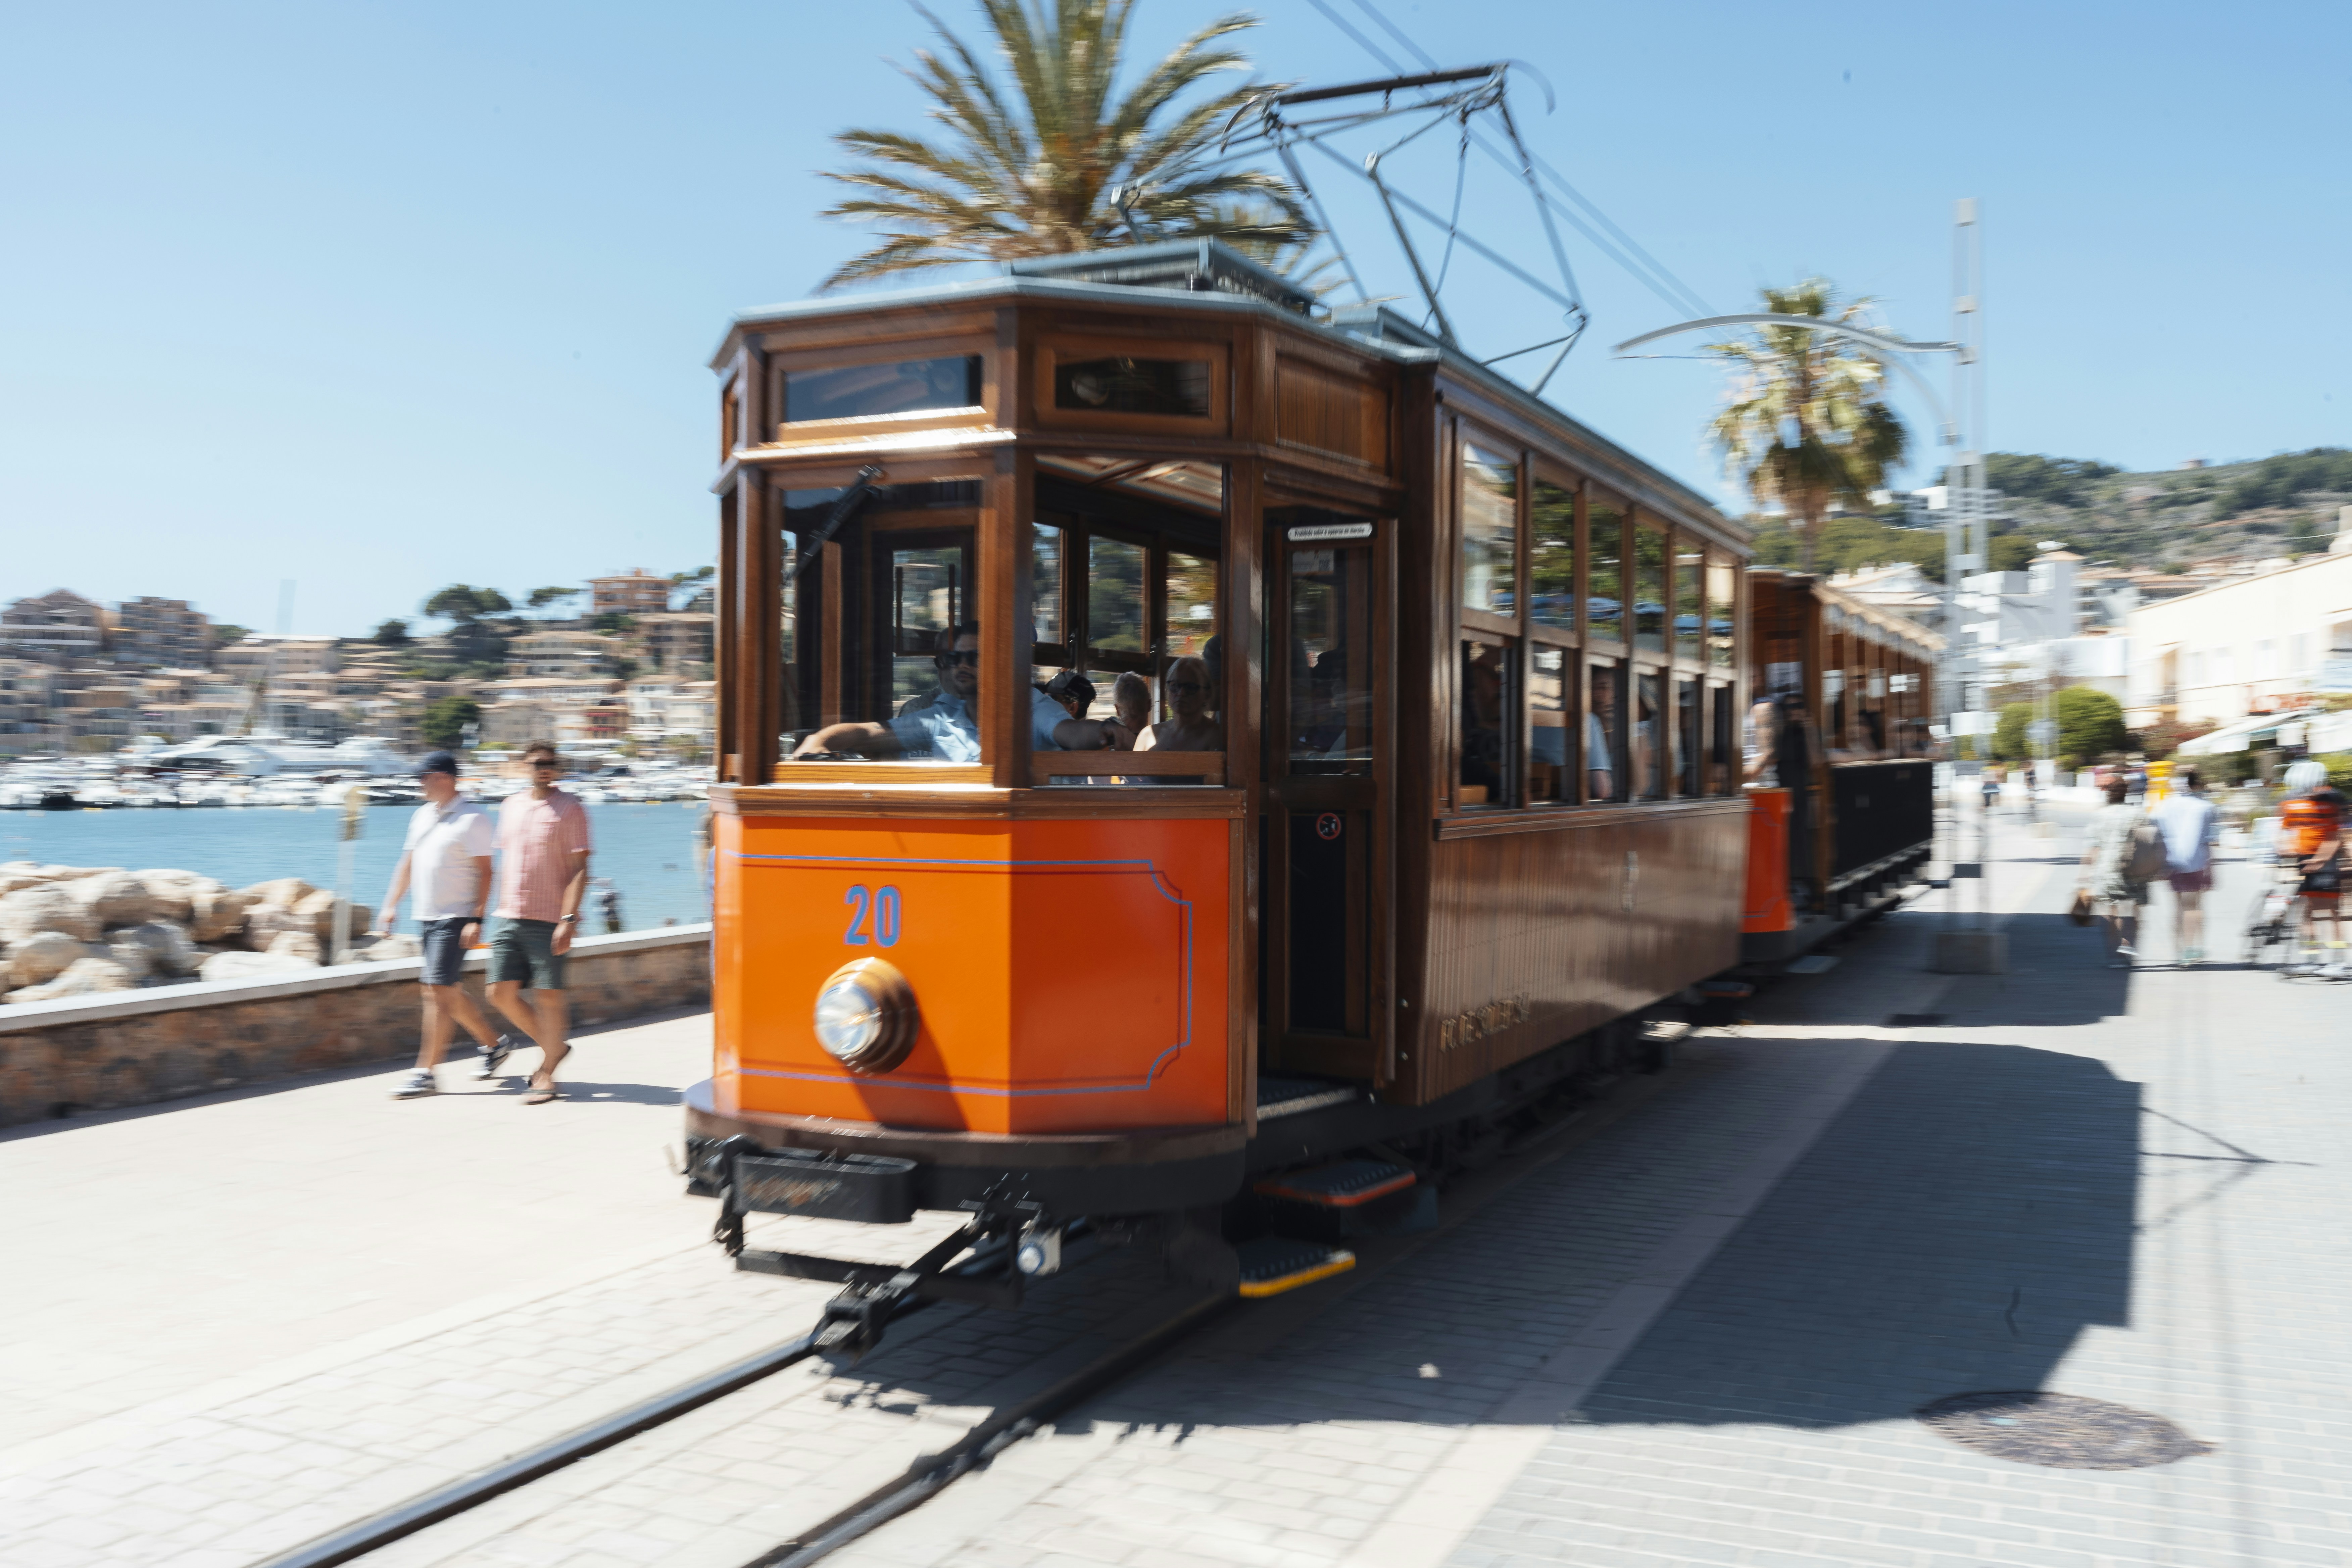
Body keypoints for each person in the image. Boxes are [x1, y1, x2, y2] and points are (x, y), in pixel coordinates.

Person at [378, 751, 513, 1099]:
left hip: (456, 917)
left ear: (444, 778)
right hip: (426, 915)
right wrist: (391, 905)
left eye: (423, 777)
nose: (419, 784)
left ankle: (426, 1072)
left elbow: (487, 872)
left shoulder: (473, 819)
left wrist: (477, 918)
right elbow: (406, 863)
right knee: (444, 989)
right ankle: (494, 1045)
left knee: (436, 991)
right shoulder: (422, 815)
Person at [488, 741, 592, 1104]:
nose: (544, 768)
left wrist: (568, 919)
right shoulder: (510, 806)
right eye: (537, 763)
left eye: (550, 763)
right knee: (498, 993)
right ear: (525, 766)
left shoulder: (571, 809)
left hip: (550, 918)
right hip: (508, 915)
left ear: (558, 768)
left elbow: (580, 869)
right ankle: (555, 1048)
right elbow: (509, 860)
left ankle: (546, 1073)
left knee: (548, 999)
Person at [792, 623, 1063, 762]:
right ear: (940, 664)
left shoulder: (1035, 708)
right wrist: (821, 740)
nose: (959, 667)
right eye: (951, 659)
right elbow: (880, 751)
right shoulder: (924, 715)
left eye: (973, 658)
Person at [2277, 758, 2347, 973]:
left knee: (2331, 911)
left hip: (2325, 860)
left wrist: (2321, 860)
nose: (2308, 794)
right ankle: (2310, 959)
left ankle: (2338, 961)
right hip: (2303, 860)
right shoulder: (2290, 802)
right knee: (2307, 910)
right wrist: (2283, 849)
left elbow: (2336, 837)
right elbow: (2283, 830)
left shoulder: (2332, 802)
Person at [2150, 764, 2221, 965]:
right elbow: (2209, 841)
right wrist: (2212, 869)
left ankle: (2179, 951)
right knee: (2195, 906)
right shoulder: (2206, 808)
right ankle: (2192, 949)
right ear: (2197, 784)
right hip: (2197, 862)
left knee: (2177, 908)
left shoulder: (2164, 806)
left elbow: (2156, 834)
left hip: (2171, 862)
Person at [2079, 775, 2150, 966]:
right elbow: (2146, 844)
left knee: (2111, 912)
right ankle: (2127, 946)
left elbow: (2093, 848)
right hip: (2134, 870)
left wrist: (2084, 874)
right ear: (2126, 793)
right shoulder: (2138, 814)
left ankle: (2116, 954)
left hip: (2107, 871)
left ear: (2109, 794)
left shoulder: (2100, 815)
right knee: (2134, 911)